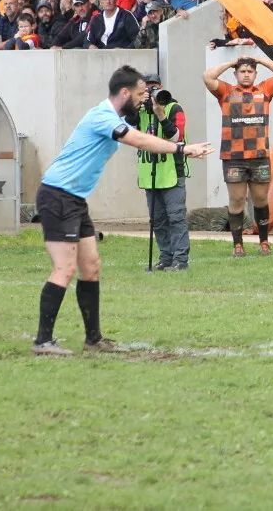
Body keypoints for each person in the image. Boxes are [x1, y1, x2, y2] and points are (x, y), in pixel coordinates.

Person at [31, 65, 213, 356]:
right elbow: (137, 140)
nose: (144, 99)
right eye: (141, 94)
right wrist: (181, 148)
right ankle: (43, 341)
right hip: (57, 196)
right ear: (125, 92)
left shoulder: (113, 116)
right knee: (64, 269)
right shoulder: (102, 116)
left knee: (90, 268)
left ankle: (93, 339)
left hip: (74, 199)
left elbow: (141, 135)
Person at [203, 56, 273, 257]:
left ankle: (264, 242)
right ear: (235, 74)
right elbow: (207, 76)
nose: (246, 74)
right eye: (242, 71)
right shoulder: (226, 91)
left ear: (255, 74)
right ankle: (238, 245)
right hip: (233, 156)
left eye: (250, 71)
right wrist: (229, 62)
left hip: (259, 155)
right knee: (237, 200)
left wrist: (260, 60)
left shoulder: (264, 90)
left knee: (260, 199)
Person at [135, 73, 190, 271]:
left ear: (162, 87)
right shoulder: (139, 109)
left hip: (171, 171)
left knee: (176, 217)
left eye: (154, 87)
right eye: (147, 89)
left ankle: (180, 259)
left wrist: (160, 114)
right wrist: (136, 103)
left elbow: (177, 137)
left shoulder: (174, 107)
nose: (151, 92)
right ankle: (165, 257)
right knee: (157, 219)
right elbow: (126, 126)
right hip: (149, 172)